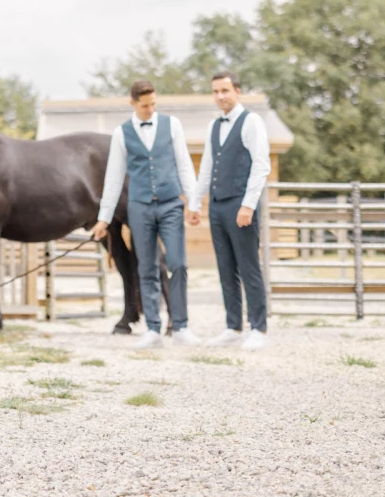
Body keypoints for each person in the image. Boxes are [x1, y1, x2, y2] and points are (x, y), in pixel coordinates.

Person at [92, 80, 201, 349]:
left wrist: (194, 202)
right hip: (139, 208)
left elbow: (184, 164)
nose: (150, 109)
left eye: (153, 104)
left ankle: (182, 326)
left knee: (178, 264)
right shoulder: (122, 133)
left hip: (170, 205)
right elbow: (114, 178)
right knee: (147, 267)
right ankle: (152, 329)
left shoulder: (172, 125)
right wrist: (104, 218)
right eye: (144, 105)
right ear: (133, 104)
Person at [195, 71, 272, 351]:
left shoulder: (251, 121)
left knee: (248, 266)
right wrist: (195, 203)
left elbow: (261, 164)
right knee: (225, 268)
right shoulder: (214, 126)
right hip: (217, 206)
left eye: (225, 90)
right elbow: (206, 168)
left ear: (237, 91)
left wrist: (249, 204)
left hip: (241, 205)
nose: (220, 96)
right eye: (215, 91)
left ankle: (259, 328)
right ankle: (233, 326)